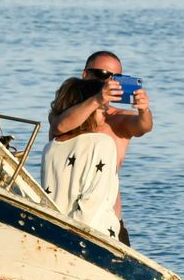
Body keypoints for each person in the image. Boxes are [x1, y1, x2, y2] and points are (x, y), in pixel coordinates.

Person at [48, 51, 152, 245]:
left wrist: (144, 109)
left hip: (109, 223)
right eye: (103, 75)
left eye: (116, 78)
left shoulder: (118, 118)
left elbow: (143, 126)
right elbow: (58, 127)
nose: (108, 82)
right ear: (85, 75)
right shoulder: (64, 111)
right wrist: (96, 100)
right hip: (61, 217)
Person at [41, 78, 121, 242]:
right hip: (94, 237)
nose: (106, 112)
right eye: (102, 108)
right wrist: (73, 238)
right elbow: (94, 199)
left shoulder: (50, 148)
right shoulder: (102, 143)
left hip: (52, 233)